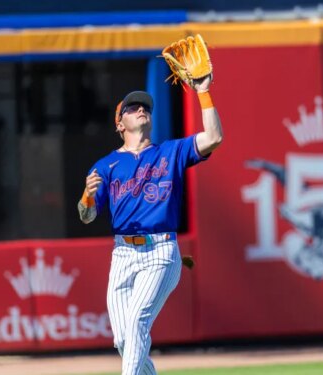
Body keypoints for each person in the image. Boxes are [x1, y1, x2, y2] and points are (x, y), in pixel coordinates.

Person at [77, 76, 222, 374]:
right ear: (119, 124)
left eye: (144, 106)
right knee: (124, 340)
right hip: (123, 255)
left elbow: (214, 138)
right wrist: (87, 198)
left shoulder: (171, 152)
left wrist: (203, 92)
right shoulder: (105, 166)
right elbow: (87, 216)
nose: (141, 109)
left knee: (137, 321)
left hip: (161, 251)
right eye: (132, 107)